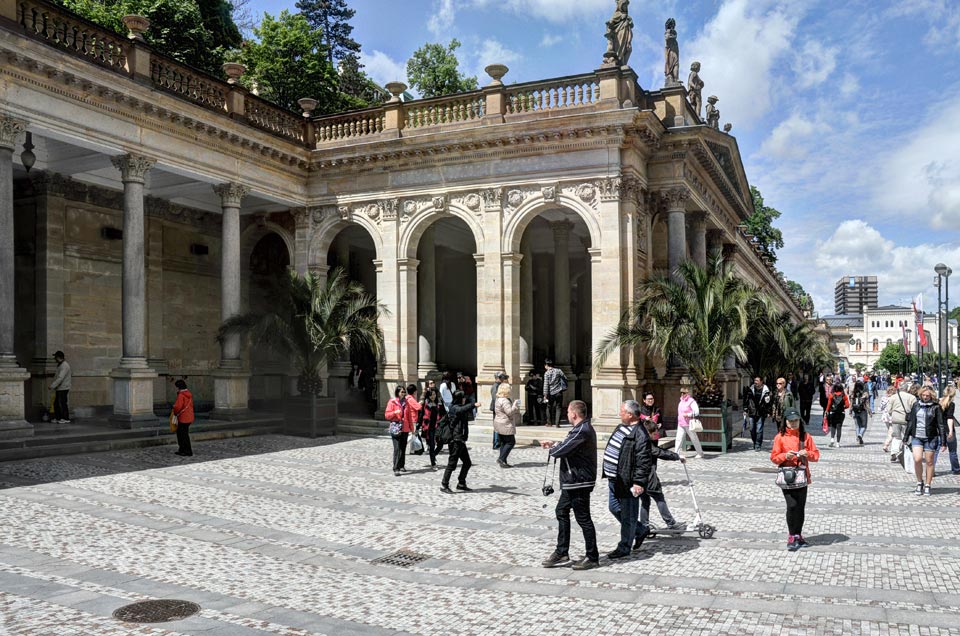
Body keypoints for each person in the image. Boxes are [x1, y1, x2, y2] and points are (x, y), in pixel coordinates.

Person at [540, 401, 599, 570]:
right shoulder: (580, 429)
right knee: (561, 511)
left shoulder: (582, 430)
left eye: (568, 411)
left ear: (574, 414)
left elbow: (561, 452)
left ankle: (592, 556)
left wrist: (553, 448)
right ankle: (562, 551)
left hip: (579, 481)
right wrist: (554, 444)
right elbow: (566, 446)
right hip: (572, 481)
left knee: (583, 519)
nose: (567, 414)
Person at [602, 400, 651, 559]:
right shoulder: (622, 426)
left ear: (630, 415)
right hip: (614, 478)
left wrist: (638, 483)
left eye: (622, 411)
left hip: (627, 480)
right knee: (614, 507)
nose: (619, 413)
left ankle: (624, 547)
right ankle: (640, 530)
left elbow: (643, 461)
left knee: (628, 515)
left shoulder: (640, 434)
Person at [770, 407, 820, 551]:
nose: (793, 423)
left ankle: (799, 535)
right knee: (792, 506)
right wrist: (785, 456)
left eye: (796, 420)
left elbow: (816, 455)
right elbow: (774, 457)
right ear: (785, 422)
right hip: (787, 477)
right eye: (790, 421)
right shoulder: (780, 437)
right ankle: (792, 535)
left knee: (800, 507)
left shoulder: (806, 436)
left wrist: (807, 453)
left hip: (802, 476)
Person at [640, 418, 684, 537]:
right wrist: (677, 457)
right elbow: (659, 452)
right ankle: (670, 523)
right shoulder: (646, 443)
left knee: (645, 501)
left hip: (640, 477)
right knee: (659, 497)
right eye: (654, 433)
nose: (657, 435)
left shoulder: (644, 440)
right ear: (648, 433)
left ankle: (643, 525)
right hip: (647, 475)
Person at [904, 386, 948, 496]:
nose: (925, 397)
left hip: (931, 437)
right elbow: (911, 422)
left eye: (927, 395)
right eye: (923, 395)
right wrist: (905, 437)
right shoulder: (916, 405)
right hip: (917, 436)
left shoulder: (936, 407)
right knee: (917, 459)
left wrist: (943, 441)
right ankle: (919, 482)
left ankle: (928, 484)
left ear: (931, 396)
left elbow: (941, 425)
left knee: (929, 461)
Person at [440, 390, 480, 494]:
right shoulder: (454, 408)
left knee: (467, 463)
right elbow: (461, 409)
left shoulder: (459, 407)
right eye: (463, 398)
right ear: (459, 398)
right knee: (452, 464)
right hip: (455, 440)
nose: (464, 399)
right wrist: (473, 405)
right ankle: (444, 485)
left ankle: (461, 483)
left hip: (460, 440)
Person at [885, 382, 916, 461]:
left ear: (899, 388)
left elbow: (888, 410)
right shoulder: (912, 397)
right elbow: (915, 409)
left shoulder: (893, 397)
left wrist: (893, 413)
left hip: (895, 419)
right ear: (907, 389)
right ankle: (909, 453)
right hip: (907, 420)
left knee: (896, 437)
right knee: (908, 437)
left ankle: (894, 453)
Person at [493, 383, 520, 467]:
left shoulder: (498, 399)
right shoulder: (505, 400)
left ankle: (503, 461)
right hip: (505, 424)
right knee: (510, 442)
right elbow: (509, 412)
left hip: (499, 422)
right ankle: (501, 459)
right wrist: (515, 406)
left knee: (503, 442)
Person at [420, 385, 446, 470]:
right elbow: (421, 415)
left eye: (434, 394)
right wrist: (418, 426)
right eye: (431, 395)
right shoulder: (426, 403)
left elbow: (444, 414)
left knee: (440, 444)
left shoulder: (439, 402)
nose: (433, 396)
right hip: (429, 427)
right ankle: (433, 463)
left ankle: (433, 455)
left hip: (438, 426)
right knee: (432, 445)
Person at [675, 387, 704, 459]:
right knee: (679, 438)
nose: (682, 394)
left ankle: (700, 452)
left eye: (684, 393)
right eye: (681, 392)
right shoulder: (681, 401)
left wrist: (688, 414)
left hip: (689, 423)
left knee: (694, 438)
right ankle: (676, 453)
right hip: (681, 423)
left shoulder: (691, 401)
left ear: (687, 393)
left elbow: (696, 412)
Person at [384, 385, 407, 476]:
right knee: (397, 448)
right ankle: (396, 468)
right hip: (396, 426)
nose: (403, 394)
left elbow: (408, 415)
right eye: (402, 392)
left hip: (405, 426)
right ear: (397, 392)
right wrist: (394, 412)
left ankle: (401, 465)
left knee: (403, 447)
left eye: (404, 392)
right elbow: (387, 415)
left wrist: (412, 428)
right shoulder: (392, 402)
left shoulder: (406, 402)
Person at [745, 377, 772, 451]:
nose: (755, 382)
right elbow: (746, 400)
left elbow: (768, 402)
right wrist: (745, 409)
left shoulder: (766, 391)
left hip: (761, 412)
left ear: (761, 382)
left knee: (759, 430)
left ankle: (758, 444)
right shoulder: (750, 389)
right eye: (754, 380)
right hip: (752, 411)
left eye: (757, 380)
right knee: (751, 429)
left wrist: (769, 412)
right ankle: (754, 442)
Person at [171, 379, 195, 456]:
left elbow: (178, 406)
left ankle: (185, 450)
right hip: (189, 417)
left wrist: (174, 410)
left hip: (183, 417)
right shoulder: (188, 394)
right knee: (185, 434)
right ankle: (184, 449)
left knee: (182, 435)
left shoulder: (181, 395)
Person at [939, 386, 959, 474]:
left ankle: (930, 469)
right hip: (947, 429)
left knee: (934, 451)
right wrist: (951, 431)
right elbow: (949, 418)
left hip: (938, 429)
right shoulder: (951, 404)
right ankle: (956, 469)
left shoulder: (938, 402)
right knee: (952, 451)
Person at [542, 359, 567, 427]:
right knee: (558, 407)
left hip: (551, 393)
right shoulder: (559, 371)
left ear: (546, 365)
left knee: (549, 407)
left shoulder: (547, 373)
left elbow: (546, 384)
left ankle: (549, 422)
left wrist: (545, 394)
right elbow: (565, 378)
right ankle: (557, 423)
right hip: (559, 391)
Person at [49, 350, 72, 424]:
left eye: (55, 357)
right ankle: (59, 417)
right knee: (57, 403)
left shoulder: (64, 365)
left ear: (58, 357)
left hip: (63, 388)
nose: (54, 359)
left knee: (62, 403)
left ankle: (65, 418)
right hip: (60, 388)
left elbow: (60, 378)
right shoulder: (61, 365)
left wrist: (52, 386)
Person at [824, 383, 849, 447]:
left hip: (833, 413)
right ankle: (838, 443)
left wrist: (826, 411)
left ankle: (832, 439)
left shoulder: (831, 395)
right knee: (839, 427)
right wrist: (843, 407)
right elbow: (847, 405)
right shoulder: (844, 396)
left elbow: (829, 405)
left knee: (833, 426)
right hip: (841, 413)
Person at [490, 371, 508, 449]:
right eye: (502, 378)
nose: (504, 379)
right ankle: (496, 443)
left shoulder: (500, 385)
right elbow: (495, 398)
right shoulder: (496, 386)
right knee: (497, 426)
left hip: (499, 408)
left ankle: (499, 442)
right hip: (497, 408)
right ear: (498, 378)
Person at [850, 380, 869, 445]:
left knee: (857, 426)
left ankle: (858, 439)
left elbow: (851, 402)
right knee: (864, 425)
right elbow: (867, 403)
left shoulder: (853, 392)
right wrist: (870, 411)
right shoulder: (865, 393)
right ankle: (860, 435)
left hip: (855, 410)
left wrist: (850, 410)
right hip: (863, 410)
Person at [879, 387, 895, 456]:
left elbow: (881, 408)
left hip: (885, 417)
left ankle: (890, 445)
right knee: (891, 432)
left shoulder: (884, 398)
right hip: (892, 416)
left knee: (890, 430)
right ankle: (886, 445)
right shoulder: (894, 399)